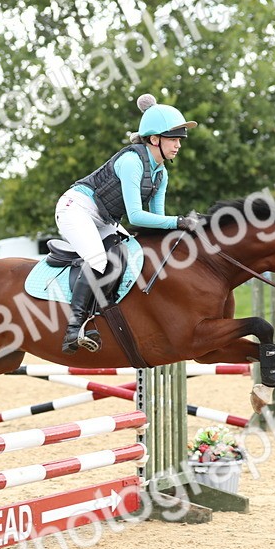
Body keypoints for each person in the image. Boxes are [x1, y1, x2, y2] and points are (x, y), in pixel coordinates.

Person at [54, 93, 200, 354]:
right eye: (174, 139)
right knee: (100, 260)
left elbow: (155, 221)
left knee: (126, 255)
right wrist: (179, 221)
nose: (178, 145)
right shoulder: (132, 161)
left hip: (104, 218)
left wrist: (182, 231)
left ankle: (105, 314)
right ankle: (73, 329)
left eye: (180, 140)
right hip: (75, 209)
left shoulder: (160, 173)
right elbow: (136, 217)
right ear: (155, 139)